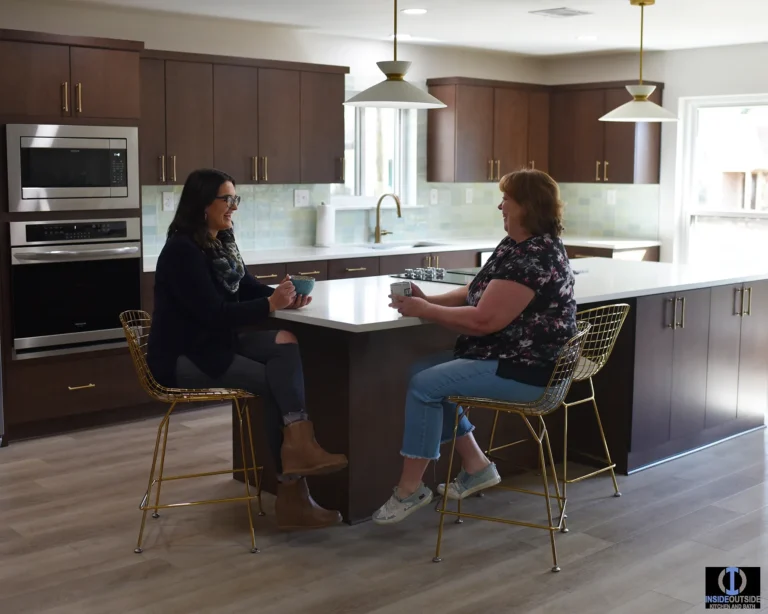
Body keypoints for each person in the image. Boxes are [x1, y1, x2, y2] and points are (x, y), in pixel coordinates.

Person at [372, 169, 577, 525]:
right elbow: (476, 293)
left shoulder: (535, 256)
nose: (501, 206)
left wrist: (428, 312)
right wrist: (429, 298)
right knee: (423, 374)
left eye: (507, 200)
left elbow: (485, 320)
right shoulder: (516, 245)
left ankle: (409, 489)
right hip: (507, 356)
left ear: (526, 206)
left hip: (528, 369)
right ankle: (477, 464)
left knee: (426, 385)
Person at [146, 168, 347, 530]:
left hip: (212, 344)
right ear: (204, 204)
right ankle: (293, 492)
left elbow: (246, 287)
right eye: (228, 199)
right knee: (272, 380)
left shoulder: (219, 241)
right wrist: (270, 306)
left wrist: (281, 296)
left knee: (286, 340)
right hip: (183, 356)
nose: (234, 207)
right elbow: (213, 314)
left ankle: (299, 445)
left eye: (235, 199)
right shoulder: (182, 251)